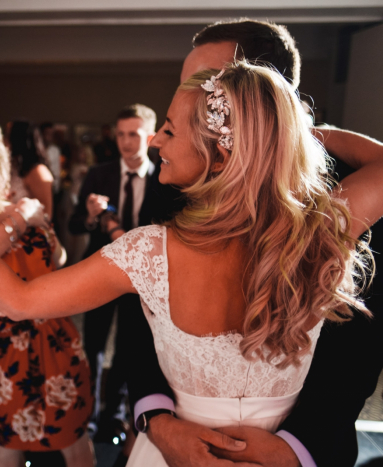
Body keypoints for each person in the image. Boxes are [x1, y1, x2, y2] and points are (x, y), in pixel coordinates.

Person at [0, 61, 383, 466]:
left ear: (220, 156)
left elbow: (18, 300)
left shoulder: (150, 251)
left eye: (170, 131)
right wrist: (283, 136)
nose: (155, 141)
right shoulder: (323, 231)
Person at [122, 19, 383, 467]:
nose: (194, 98)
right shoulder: (176, 175)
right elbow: (138, 298)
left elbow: (360, 339)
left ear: (264, 91)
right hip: (176, 439)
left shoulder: (344, 185)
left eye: (209, 84)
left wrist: (298, 448)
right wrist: (156, 417)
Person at [0, 121, 94, 467]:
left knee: (5, 443)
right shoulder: (23, 220)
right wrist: (25, 217)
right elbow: (59, 258)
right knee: (72, 441)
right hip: (54, 340)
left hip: (5, 348)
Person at [68, 103, 158, 445]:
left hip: (141, 280)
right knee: (93, 344)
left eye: (133, 134)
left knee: (129, 346)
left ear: (148, 137)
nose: (125, 142)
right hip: (101, 274)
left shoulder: (163, 175)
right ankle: (88, 416)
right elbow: (75, 223)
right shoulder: (99, 173)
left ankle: (114, 415)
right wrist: (91, 216)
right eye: (120, 134)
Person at [7, 120, 55, 220]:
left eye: (8, 135)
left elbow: (46, 215)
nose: (4, 140)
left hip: (28, 233)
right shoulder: (14, 168)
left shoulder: (38, 171)